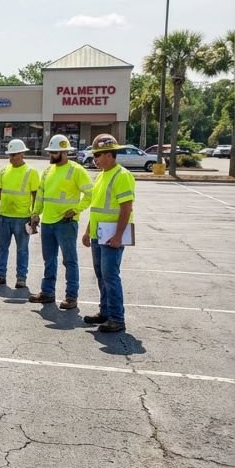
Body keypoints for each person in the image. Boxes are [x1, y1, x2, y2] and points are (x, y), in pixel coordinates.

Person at [28, 134, 93, 308]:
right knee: (49, 260)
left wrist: (76, 209)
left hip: (66, 223)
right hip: (48, 222)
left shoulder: (76, 170)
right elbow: (41, 195)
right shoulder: (48, 171)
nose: (50, 156)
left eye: (54, 153)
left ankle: (71, 297)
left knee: (69, 261)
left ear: (64, 152)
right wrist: (35, 214)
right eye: (50, 152)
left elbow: (90, 194)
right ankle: (47, 292)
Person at [81, 134, 135, 333]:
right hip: (99, 235)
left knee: (110, 276)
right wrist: (88, 231)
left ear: (111, 155)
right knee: (101, 276)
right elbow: (96, 208)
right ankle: (105, 312)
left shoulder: (122, 175)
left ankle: (117, 319)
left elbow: (126, 208)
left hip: (112, 236)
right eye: (94, 155)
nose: (94, 158)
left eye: (98, 154)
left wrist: (118, 236)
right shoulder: (101, 175)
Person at [0, 139, 40, 288]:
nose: (11, 158)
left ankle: (21, 278)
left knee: (22, 250)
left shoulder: (31, 172)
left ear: (22, 154)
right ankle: (0, 275)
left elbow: (36, 194)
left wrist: (35, 214)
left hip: (22, 218)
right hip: (4, 216)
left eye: (14, 155)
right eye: (9, 155)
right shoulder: (4, 170)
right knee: (2, 248)